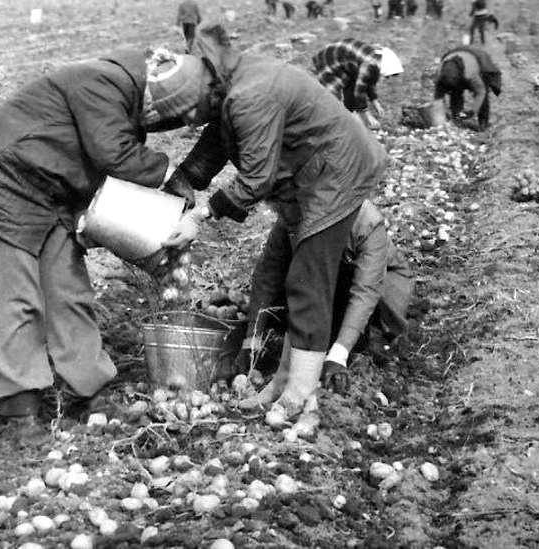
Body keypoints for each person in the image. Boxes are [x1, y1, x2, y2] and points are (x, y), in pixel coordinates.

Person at [0, 48, 200, 427]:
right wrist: (171, 175)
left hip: (49, 192)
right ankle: (20, 406)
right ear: (161, 102)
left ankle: (86, 389)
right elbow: (115, 156)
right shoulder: (101, 83)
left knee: (69, 292)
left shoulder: (124, 95)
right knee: (16, 298)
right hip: (1, 186)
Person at [161, 25, 388, 422]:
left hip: (336, 175)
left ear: (209, 87)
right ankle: (283, 384)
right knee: (297, 280)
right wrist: (185, 178)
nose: (191, 119)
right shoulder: (234, 82)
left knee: (307, 282)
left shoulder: (249, 95)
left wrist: (201, 215)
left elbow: (256, 178)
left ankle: (300, 394)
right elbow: (219, 138)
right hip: (312, 173)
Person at [230, 200, 413, 394]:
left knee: (369, 341)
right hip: (324, 276)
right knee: (286, 302)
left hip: (376, 278)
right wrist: (252, 339)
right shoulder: (294, 213)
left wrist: (339, 354)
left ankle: (361, 336)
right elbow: (269, 272)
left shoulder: (368, 223)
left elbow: (365, 292)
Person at [311, 38, 404, 130]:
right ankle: (325, 123)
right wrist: (366, 113)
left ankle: (349, 114)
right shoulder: (370, 64)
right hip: (331, 59)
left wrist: (374, 100)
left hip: (346, 62)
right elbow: (359, 91)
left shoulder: (376, 61)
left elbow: (369, 82)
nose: (387, 78)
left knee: (351, 83)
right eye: (388, 76)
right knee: (332, 95)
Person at [434, 45, 503, 130]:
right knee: (455, 93)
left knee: (483, 98)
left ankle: (483, 123)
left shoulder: (470, 73)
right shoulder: (440, 75)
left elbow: (480, 92)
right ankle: (457, 120)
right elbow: (437, 98)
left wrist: (472, 111)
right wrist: (441, 113)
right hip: (456, 67)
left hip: (477, 63)